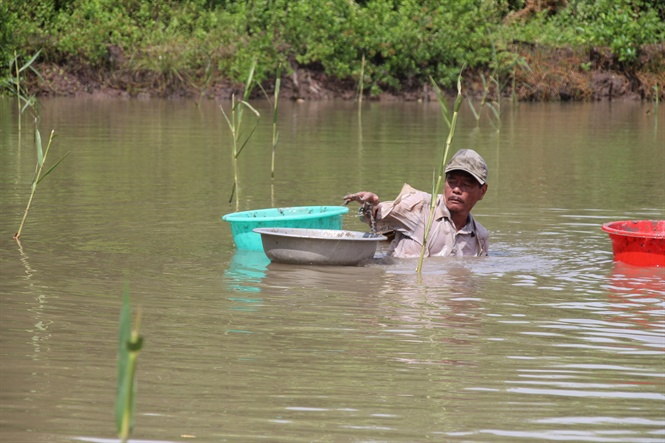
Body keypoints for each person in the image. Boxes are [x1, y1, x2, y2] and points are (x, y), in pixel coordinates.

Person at [343, 149, 489, 258]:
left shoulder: (479, 237)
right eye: (451, 181)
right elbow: (376, 215)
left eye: (466, 184)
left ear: (482, 191)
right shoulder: (420, 206)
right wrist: (371, 206)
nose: (456, 189)